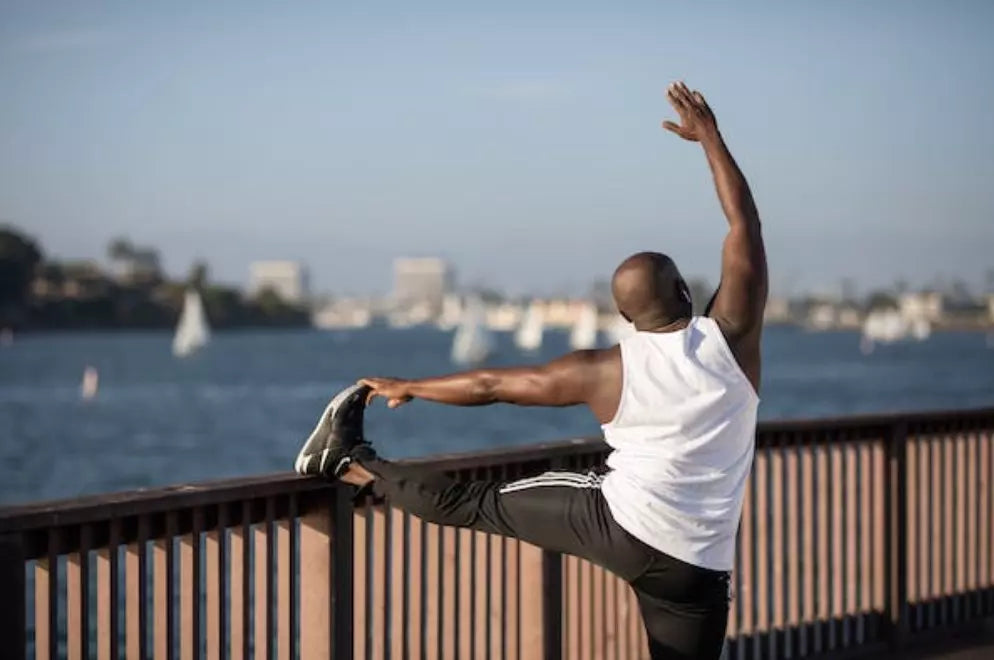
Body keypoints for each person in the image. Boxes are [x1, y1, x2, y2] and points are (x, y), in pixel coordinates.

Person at [295, 80, 767, 660]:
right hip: (699, 566)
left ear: (623, 315)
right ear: (684, 290)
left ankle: (347, 464)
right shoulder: (733, 342)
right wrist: (710, 139)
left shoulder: (604, 369)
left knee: (477, 503)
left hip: (618, 524)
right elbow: (743, 225)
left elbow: (493, 385)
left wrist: (410, 386)